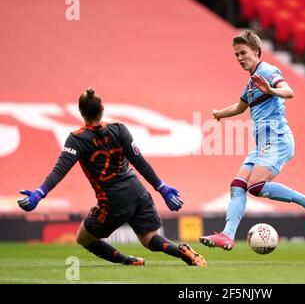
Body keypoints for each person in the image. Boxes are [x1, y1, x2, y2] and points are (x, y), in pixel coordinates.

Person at [18, 87, 206, 267]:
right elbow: (139, 161)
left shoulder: (77, 139)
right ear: (102, 109)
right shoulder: (119, 129)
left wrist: (39, 194)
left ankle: (126, 260)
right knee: (149, 238)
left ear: (81, 113)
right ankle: (181, 251)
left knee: (83, 238)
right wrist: (162, 188)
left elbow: (60, 170)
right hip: (138, 192)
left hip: (113, 201)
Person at [199, 30, 305, 251]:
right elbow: (239, 107)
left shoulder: (267, 71)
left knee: (255, 186)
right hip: (262, 145)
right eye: (236, 54)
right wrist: (219, 114)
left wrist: (270, 89)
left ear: (257, 52)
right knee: (238, 185)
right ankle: (227, 236)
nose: (239, 58)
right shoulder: (251, 83)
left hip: (277, 139)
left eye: (243, 53)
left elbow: (289, 91)